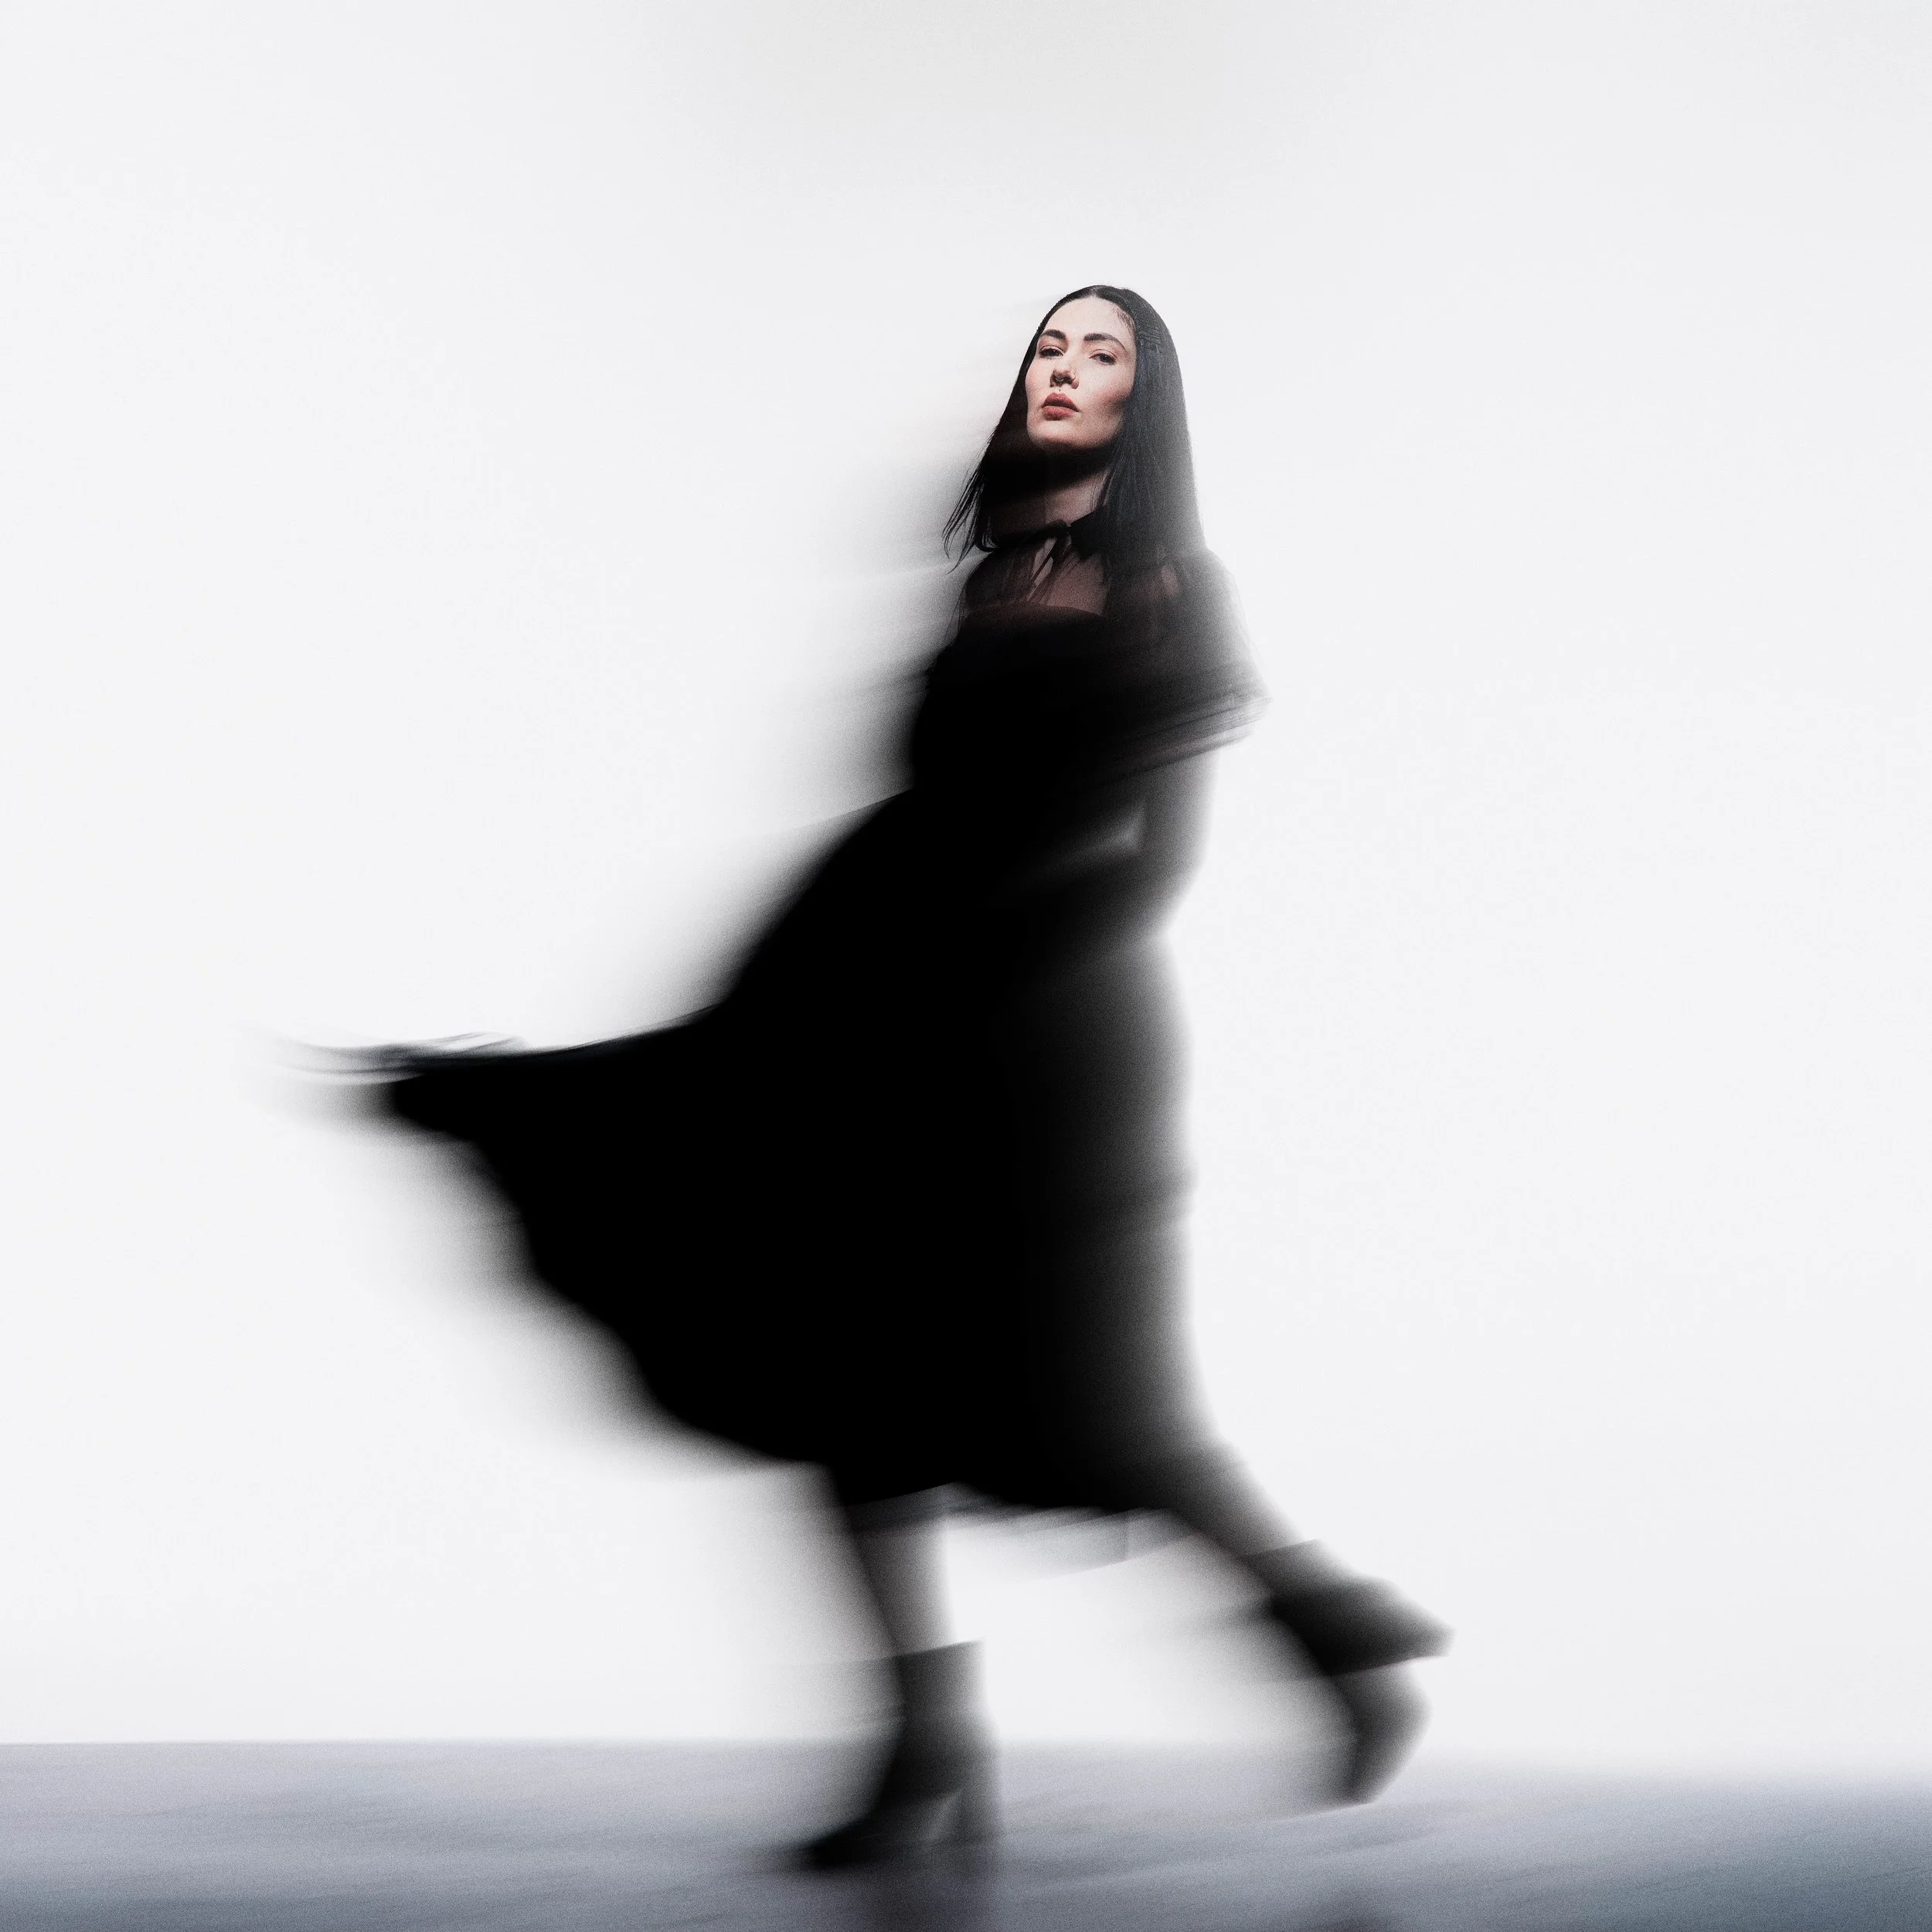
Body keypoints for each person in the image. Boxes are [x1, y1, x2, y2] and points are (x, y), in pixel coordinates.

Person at [344, 286, 1447, 1866]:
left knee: (1077, 1403)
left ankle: (1319, 1627)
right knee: (838, 1367)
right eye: (1050, 347)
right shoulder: (987, 571)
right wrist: (860, 962)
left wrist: (991, 961)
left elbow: (1157, 862)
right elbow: (917, 795)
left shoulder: (1164, 584)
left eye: (1102, 355)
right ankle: (924, 1740)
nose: (1064, 371)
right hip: (862, 990)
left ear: (1144, 399)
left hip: (1033, 1035)